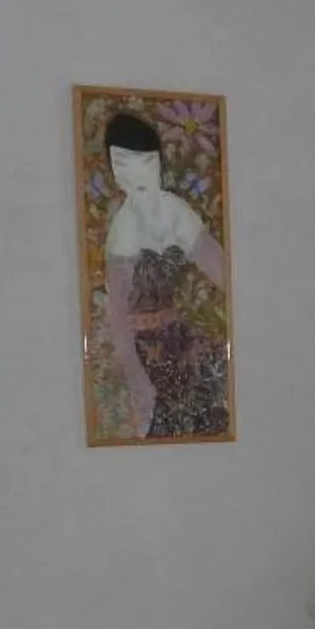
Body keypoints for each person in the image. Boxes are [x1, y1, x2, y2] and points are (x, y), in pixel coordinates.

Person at [100, 113, 230, 439]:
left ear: (159, 162)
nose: (135, 174)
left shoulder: (175, 211)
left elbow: (223, 272)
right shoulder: (123, 228)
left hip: (180, 338)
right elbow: (117, 314)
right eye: (122, 164)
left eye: (144, 162)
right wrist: (136, 379)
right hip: (144, 351)